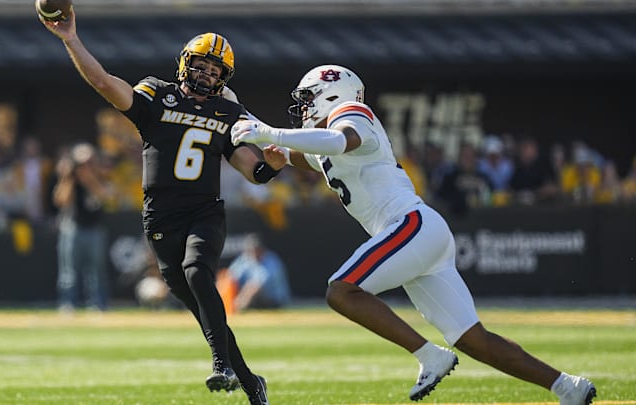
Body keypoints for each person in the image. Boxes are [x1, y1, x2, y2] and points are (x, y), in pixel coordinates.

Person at [230, 64, 597, 404]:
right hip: (421, 232)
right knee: (474, 339)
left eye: (308, 98)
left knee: (341, 291)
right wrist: (250, 127)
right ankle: (567, 386)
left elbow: (339, 142)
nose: (303, 107)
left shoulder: (352, 115)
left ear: (333, 94)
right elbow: (298, 152)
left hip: (409, 225)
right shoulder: (324, 137)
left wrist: (269, 133)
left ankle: (429, 355)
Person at [39, 10, 276, 405]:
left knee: (199, 272)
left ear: (224, 79)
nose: (206, 74)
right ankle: (252, 384)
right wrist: (71, 39)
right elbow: (102, 82)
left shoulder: (229, 113)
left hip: (204, 211)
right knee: (201, 307)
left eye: (215, 70)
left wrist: (274, 165)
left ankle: (223, 365)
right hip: (161, 217)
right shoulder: (156, 94)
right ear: (185, 62)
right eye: (201, 64)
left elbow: (254, 170)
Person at [52, 142, 112, 312]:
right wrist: (68, 177)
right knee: (68, 271)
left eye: (89, 161)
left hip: (95, 228)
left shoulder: (101, 175)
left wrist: (88, 178)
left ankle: (98, 304)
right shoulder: (70, 179)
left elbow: (105, 197)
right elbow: (60, 200)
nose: (86, 166)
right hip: (72, 227)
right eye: (81, 163)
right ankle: (67, 304)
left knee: (96, 270)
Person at [226, 233, 291, 311]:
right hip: (253, 300)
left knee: (251, 296)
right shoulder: (246, 259)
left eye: (256, 249)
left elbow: (255, 287)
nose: (253, 253)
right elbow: (229, 277)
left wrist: (238, 304)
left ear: (262, 249)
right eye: (250, 250)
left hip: (276, 302)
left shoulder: (272, 262)